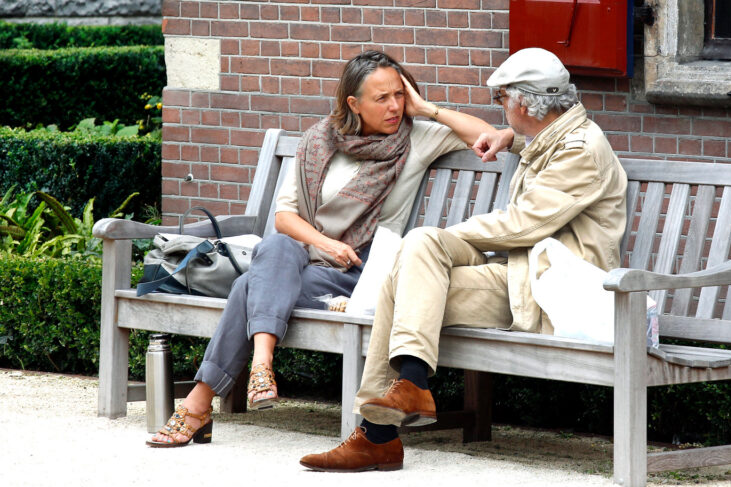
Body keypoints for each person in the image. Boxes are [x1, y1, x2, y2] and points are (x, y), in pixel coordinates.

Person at [298, 48, 629, 472]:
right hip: (519, 273)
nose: (500, 109)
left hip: (550, 290)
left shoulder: (580, 150)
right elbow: (536, 142)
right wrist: (511, 136)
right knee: (418, 248)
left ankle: (379, 433)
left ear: (524, 103)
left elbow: (522, 225)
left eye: (502, 101)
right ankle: (404, 397)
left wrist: (447, 236)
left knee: (403, 279)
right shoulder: (555, 136)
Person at [147, 50, 497, 447]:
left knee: (250, 288)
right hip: (306, 261)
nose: (394, 106)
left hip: (363, 270)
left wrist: (426, 107)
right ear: (353, 103)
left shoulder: (414, 138)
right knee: (278, 245)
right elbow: (285, 217)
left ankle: (205, 400)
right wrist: (325, 243)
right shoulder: (319, 140)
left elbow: (485, 135)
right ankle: (258, 367)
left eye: (399, 95)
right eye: (381, 98)